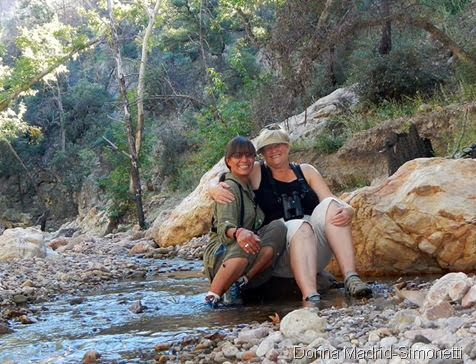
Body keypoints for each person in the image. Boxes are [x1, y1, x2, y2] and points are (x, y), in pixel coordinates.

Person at [209, 124, 372, 303]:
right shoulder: (257, 171)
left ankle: (351, 277)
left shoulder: (306, 171)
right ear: (262, 153)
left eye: (278, 144)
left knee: (332, 206)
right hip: (282, 251)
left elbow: (330, 199)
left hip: (315, 248)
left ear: (288, 146)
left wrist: (348, 208)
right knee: (299, 225)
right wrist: (213, 188)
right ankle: (310, 295)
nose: (274, 150)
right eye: (268, 148)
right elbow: (231, 173)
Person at [203, 136, 286, 308]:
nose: (244, 160)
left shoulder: (248, 185)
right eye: (238, 156)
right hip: (221, 252)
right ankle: (212, 298)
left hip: (243, 254)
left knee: (278, 228)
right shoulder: (228, 187)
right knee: (247, 240)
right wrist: (239, 233)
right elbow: (224, 228)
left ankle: (240, 282)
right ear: (228, 161)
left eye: (249, 155)